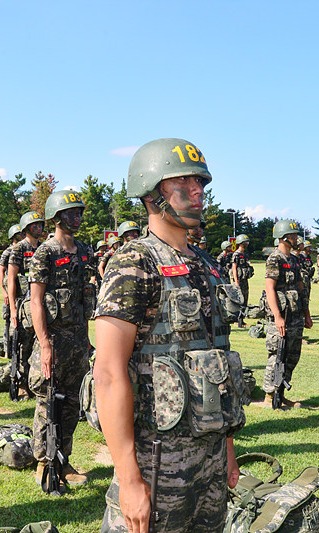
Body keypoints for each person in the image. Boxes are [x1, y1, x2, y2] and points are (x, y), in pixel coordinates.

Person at [95, 138, 245, 533]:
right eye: (184, 183)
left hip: (209, 460)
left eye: (201, 184)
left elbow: (217, 361)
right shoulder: (135, 262)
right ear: (151, 193)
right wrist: (129, 480)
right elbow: (108, 373)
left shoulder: (206, 264)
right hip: (157, 463)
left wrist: (227, 449)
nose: (199, 192)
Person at [28, 189, 93, 489]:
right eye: (71, 212)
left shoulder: (83, 251)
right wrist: (43, 345)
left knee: (70, 405)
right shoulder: (46, 253)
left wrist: (89, 341)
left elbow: (84, 301)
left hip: (77, 342)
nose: (77, 217)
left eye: (79, 212)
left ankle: (63, 459)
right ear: (56, 216)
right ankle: (44, 463)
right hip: (52, 340)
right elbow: (36, 301)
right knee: (47, 403)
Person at [262, 220, 313, 409]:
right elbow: (270, 288)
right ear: (283, 237)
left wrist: (306, 313)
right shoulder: (274, 259)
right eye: (292, 235)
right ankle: (269, 395)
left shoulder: (294, 259)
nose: (296, 238)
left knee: (292, 355)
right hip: (282, 314)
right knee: (277, 354)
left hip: (295, 314)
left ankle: (281, 394)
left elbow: (301, 288)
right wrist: (277, 316)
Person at [8, 211, 45, 398]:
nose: (38, 228)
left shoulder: (44, 248)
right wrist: (13, 309)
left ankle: (37, 382)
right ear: (26, 228)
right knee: (23, 346)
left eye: (40, 225)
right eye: (34, 225)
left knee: (40, 344)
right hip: (23, 306)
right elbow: (11, 280)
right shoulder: (19, 249)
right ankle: (22, 384)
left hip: (41, 304)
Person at [0, 224, 23, 358]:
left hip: (23, 292)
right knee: (9, 320)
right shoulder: (8, 252)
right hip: (10, 291)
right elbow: (1, 271)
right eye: (19, 234)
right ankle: (8, 349)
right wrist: (4, 291)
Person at [231, 234, 253, 328]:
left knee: (245, 300)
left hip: (245, 280)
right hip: (239, 280)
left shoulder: (245, 255)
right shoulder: (236, 254)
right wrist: (236, 281)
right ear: (240, 243)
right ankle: (237, 321)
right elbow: (234, 268)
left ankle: (242, 320)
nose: (247, 244)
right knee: (239, 300)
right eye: (245, 242)